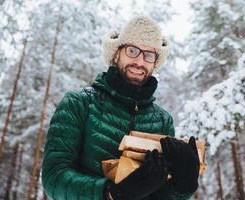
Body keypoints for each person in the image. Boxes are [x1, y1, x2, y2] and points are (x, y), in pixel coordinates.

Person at [42, 15, 200, 200]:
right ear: (117, 53)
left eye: (148, 55)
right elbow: (54, 178)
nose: (140, 62)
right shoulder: (79, 103)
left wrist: (184, 185)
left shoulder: (163, 121)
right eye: (132, 51)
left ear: (154, 63)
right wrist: (111, 193)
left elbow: (162, 195)